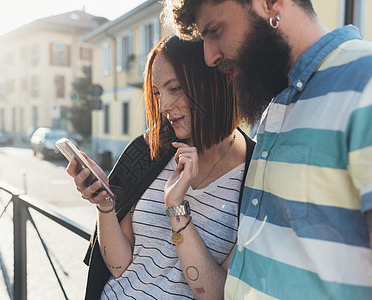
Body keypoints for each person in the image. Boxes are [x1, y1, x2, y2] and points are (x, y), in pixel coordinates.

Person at [164, 0, 372, 298]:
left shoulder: (365, 82)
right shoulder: (275, 103)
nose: (209, 56)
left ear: (270, 4)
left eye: (215, 30)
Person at [66, 35, 255, 299]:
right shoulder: (148, 150)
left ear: (214, 82)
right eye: (157, 93)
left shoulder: (257, 176)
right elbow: (120, 267)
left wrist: (176, 207)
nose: (163, 106)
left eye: (175, 88)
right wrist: (105, 205)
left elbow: (215, 294)